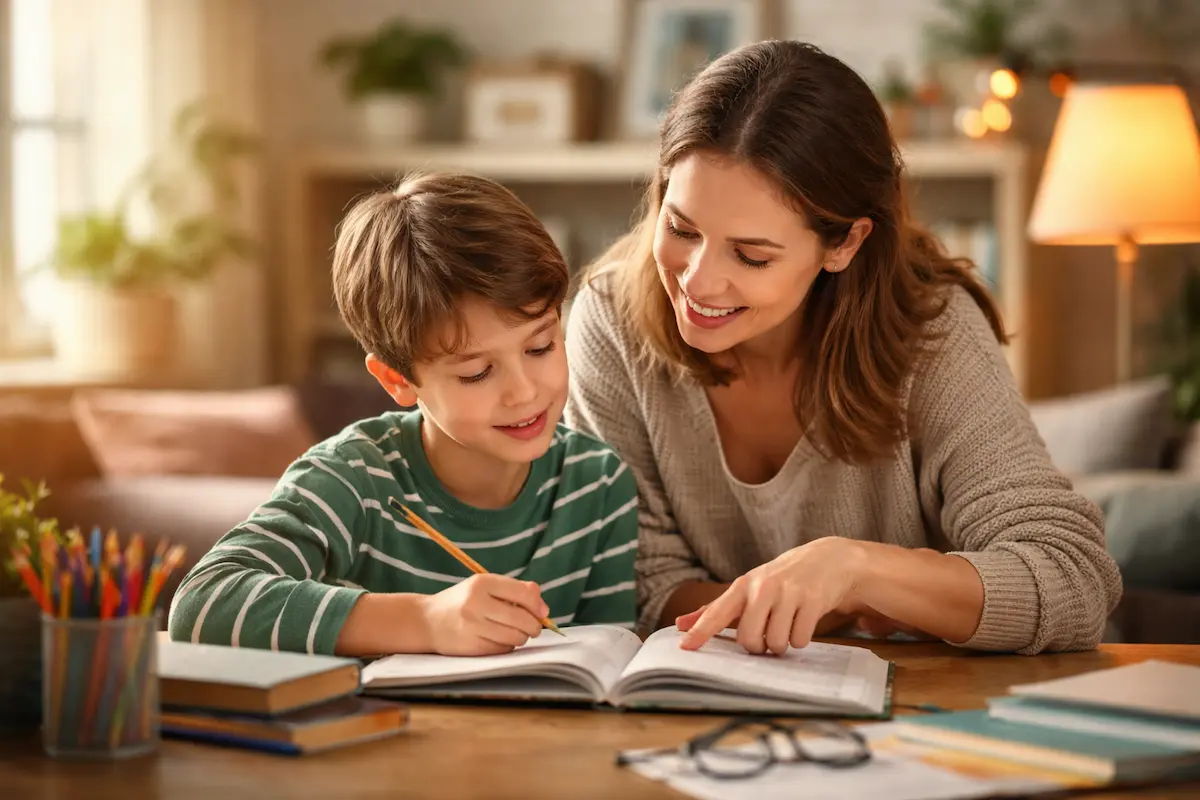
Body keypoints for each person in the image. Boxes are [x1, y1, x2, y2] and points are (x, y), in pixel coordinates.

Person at [564, 40, 1122, 656]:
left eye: (751, 254)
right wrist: (826, 603)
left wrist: (855, 570)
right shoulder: (611, 321)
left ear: (845, 244)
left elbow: (1073, 581)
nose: (696, 281)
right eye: (681, 229)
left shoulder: (932, 334)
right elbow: (633, 586)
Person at [169, 173, 638, 657]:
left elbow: (607, 660)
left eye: (540, 346)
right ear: (397, 380)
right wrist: (424, 621)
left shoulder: (599, 484)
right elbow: (203, 602)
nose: (523, 392)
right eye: (477, 373)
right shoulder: (353, 479)